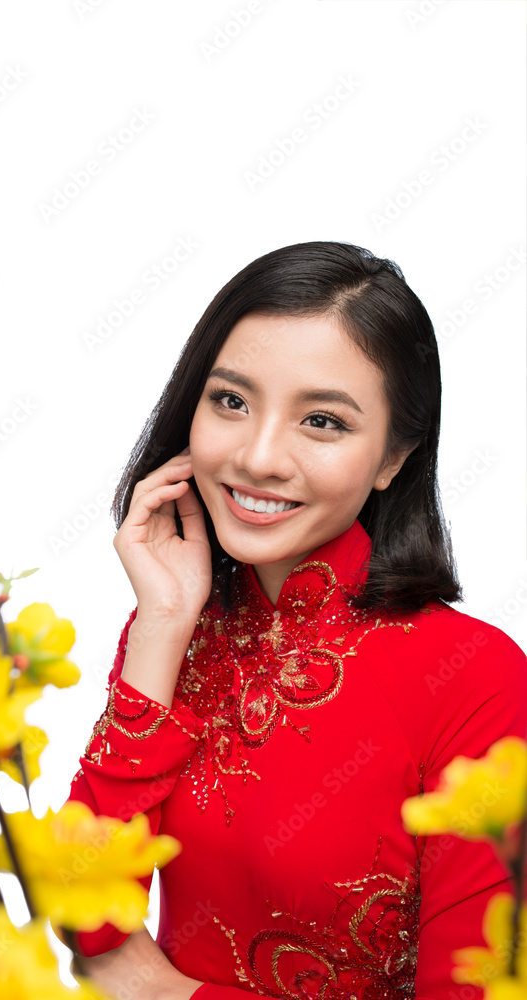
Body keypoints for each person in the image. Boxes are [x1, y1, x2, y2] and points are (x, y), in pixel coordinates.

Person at [65, 241, 527, 998]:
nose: (258, 457)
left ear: (391, 459)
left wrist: (168, 993)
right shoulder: (178, 630)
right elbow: (86, 924)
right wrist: (162, 626)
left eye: (320, 421)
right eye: (231, 401)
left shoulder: (475, 679)